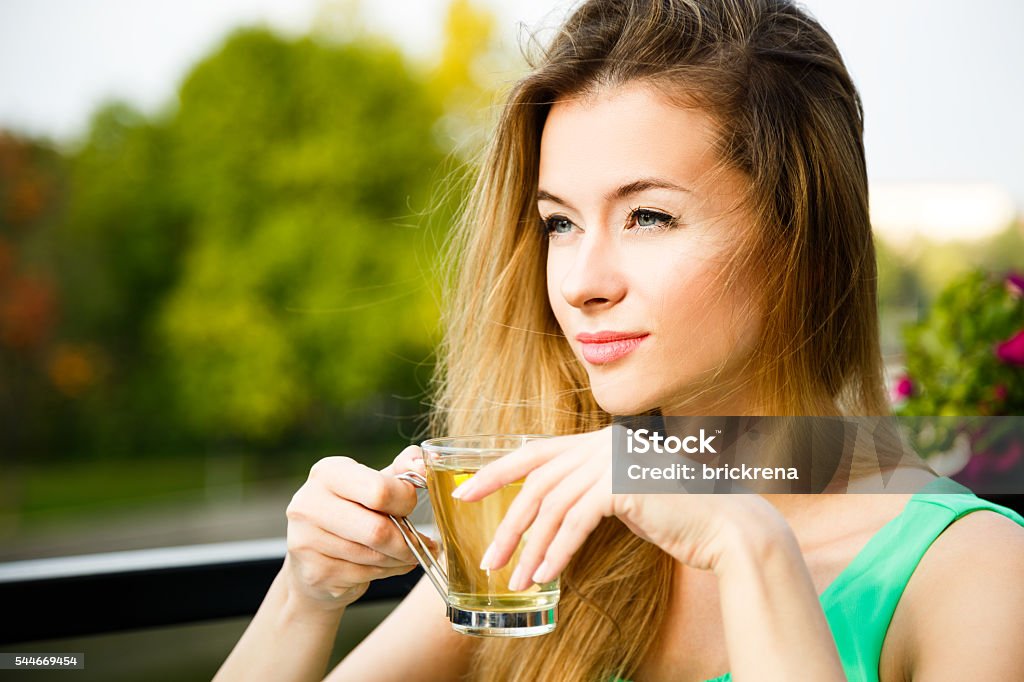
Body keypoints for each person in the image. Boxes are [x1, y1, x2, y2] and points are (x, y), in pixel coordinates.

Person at [214, 0, 1024, 680]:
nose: (579, 282)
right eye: (559, 222)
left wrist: (749, 545)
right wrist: (305, 596)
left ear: (798, 238)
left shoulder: (976, 573)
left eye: (647, 216)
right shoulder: (551, 529)